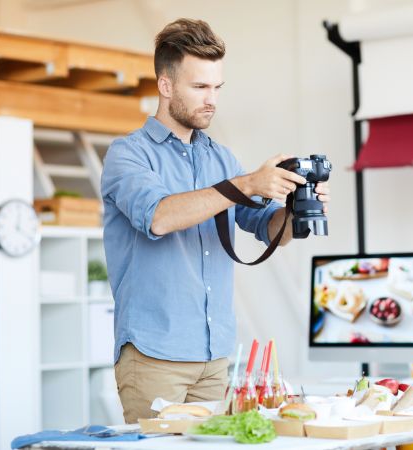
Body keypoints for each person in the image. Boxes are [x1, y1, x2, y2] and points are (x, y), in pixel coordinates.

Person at [100, 18, 331, 423]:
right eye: (200, 87)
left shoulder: (220, 158)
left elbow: (266, 229)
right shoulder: (128, 155)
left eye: (217, 87)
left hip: (215, 357)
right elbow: (159, 217)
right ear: (166, 85)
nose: (212, 100)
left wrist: (294, 211)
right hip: (155, 358)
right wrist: (246, 183)